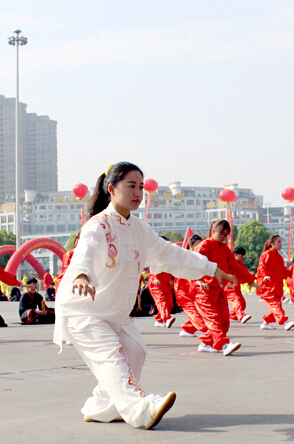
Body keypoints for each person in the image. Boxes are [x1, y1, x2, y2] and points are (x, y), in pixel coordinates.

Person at [54, 162, 237, 429]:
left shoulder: (140, 229)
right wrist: (82, 274)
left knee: (136, 351)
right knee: (112, 357)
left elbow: (172, 254)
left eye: (141, 187)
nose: (138, 192)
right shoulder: (99, 225)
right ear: (112, 188)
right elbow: (86, 250)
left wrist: (211, 268)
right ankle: (141, 409)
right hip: (84, 311)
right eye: (131, 186)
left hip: (115, 314)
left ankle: (101, 407)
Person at [192, 219, 245, 355]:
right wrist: (198, 280)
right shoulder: (204, 246)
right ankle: (224, 344)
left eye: (226, 235)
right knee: (213, 318)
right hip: (203, 290)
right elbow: (193, 265)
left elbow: (236, 267)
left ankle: (206, 343)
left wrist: (251, 280)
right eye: (221, 234)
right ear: (213, 231)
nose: (224, 238)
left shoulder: (225, 249)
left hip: (219, 289)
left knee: (224, 319)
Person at [256, 234, 294, 331]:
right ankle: (285, 322)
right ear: (272, 243)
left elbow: (283, 271)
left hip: (277, 286)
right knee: (275, 305)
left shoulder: (279, 257)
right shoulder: (266, 255)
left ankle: (265, 324)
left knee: (276, 305)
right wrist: (265, 275)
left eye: (281, 242)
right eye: (278, 242)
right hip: (267, 286)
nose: (280, 244)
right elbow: (262, 267)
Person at [174, 234, 208, 337]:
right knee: (202, 323)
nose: (199, 247)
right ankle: (210, 339)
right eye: (197, 245)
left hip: (195, 291)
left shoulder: (200, 258)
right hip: (184, 292)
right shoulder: (185, 258)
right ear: (190, 245)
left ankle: (187, 329)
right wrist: (197, 281)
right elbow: (187, 274)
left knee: (203, 314)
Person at [224, 246, 259, 323]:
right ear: (235, 254)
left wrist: (256, 279)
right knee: (236, 301)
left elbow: (245, 275)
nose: (243, 257)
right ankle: (241, 315)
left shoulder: (240, 264)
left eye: (244, 255)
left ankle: (232, 316)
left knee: (242, 303)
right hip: (228, 286)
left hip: (236, 287)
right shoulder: (228, 262)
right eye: (241, 255)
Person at [147, 236, 176, 328]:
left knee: (170, 303)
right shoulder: (156, 253)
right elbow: (152, 265)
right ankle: (167, 318)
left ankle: (159, 320)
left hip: (166, 282)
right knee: (161, 301)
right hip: (156, 282)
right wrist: (155, 277)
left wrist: (171, 280)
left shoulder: (169, 255)